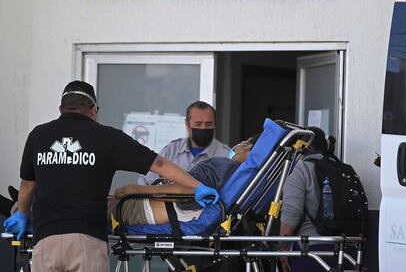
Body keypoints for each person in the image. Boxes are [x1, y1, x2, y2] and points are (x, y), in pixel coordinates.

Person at [3, 80, 219, 272]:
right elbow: (159, 164)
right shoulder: (107, 137)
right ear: (93, 110)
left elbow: (27, 187)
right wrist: (197, 186)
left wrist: (22, 215)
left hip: (45, 240)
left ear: (61, 108)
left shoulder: (38, 135)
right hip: (86, 240)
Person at [109, 135, 259, 225]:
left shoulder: (223, 165)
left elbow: (189, 190)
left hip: (146, 208)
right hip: (173, 214)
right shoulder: (247, 180)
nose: (235, 146)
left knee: (91, 208)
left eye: (241, 142)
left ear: (246, 147)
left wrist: (140, 189)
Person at [279, 127, 353, 272]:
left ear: (305, 146)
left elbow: (292, 214)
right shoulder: (343, 169)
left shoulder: (302, 169)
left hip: (312, 254)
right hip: (348, 253)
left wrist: (283, 249)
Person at [139, 101, 230, 185]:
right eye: (198, 124)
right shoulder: (172, 150)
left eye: (208, 124)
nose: (203, 128)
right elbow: (146, 180)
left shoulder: (225, 155)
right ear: (187, 124)